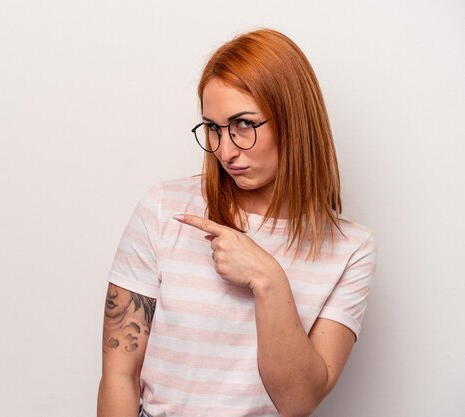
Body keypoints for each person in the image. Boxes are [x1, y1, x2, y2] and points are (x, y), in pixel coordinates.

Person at [97, 28, 376, 417]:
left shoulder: (350, 248)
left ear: (292, 121)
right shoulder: (165, 208)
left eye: (244, 124)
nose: (225, 151)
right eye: (213, 128)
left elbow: (297, 402)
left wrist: (268, 280)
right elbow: (119, 374)